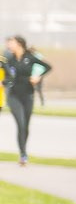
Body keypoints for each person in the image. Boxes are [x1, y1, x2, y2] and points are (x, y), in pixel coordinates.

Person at [3, 36, 51, 166]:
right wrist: (3, 82)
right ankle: (23, 154)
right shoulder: (9, 59)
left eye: (11, 43)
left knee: (26, 126)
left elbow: (48, 67)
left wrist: (37, 77)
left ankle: (23, 151)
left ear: (19, 44)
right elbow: (8, 77)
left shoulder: (30, 57)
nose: (9, 45)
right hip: (13, 96)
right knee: (21, 123)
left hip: (28, 95)